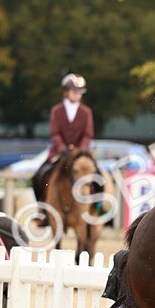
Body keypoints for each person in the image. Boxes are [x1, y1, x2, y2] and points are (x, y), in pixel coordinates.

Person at [32, 73, 94, 211]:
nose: (77, 94)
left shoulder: (86, 112)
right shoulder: (56, 111)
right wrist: (63, 148)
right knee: (38, 176)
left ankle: (97, 208)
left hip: (80, 153)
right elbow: (55, 133)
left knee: (98, 176)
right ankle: (42, 209)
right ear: (66, 91)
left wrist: (81, 150)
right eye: (74, 91)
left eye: (80, 92)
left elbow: (88, 134)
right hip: (60, 153)